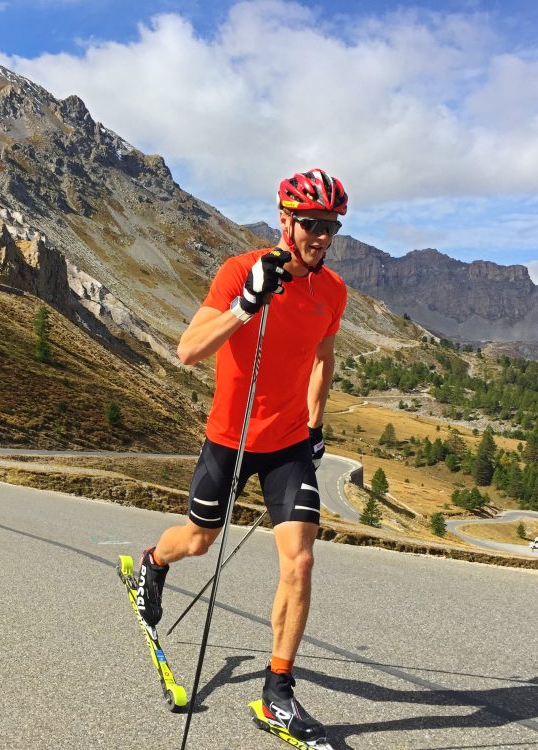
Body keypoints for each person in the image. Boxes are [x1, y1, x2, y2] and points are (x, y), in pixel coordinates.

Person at [136, 168, 348, 744]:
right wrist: (246, 304)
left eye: (331, 226)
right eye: (312, 224)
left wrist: (315, 424)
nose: (322, 236)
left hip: (288, 446)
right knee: (200, 540)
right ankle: (154, 563)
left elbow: (323, 359)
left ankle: (277, 694)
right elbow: (187, 351)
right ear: (285, 220)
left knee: (299, 561)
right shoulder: (239, 272)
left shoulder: (332, 292)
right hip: (229, 437)